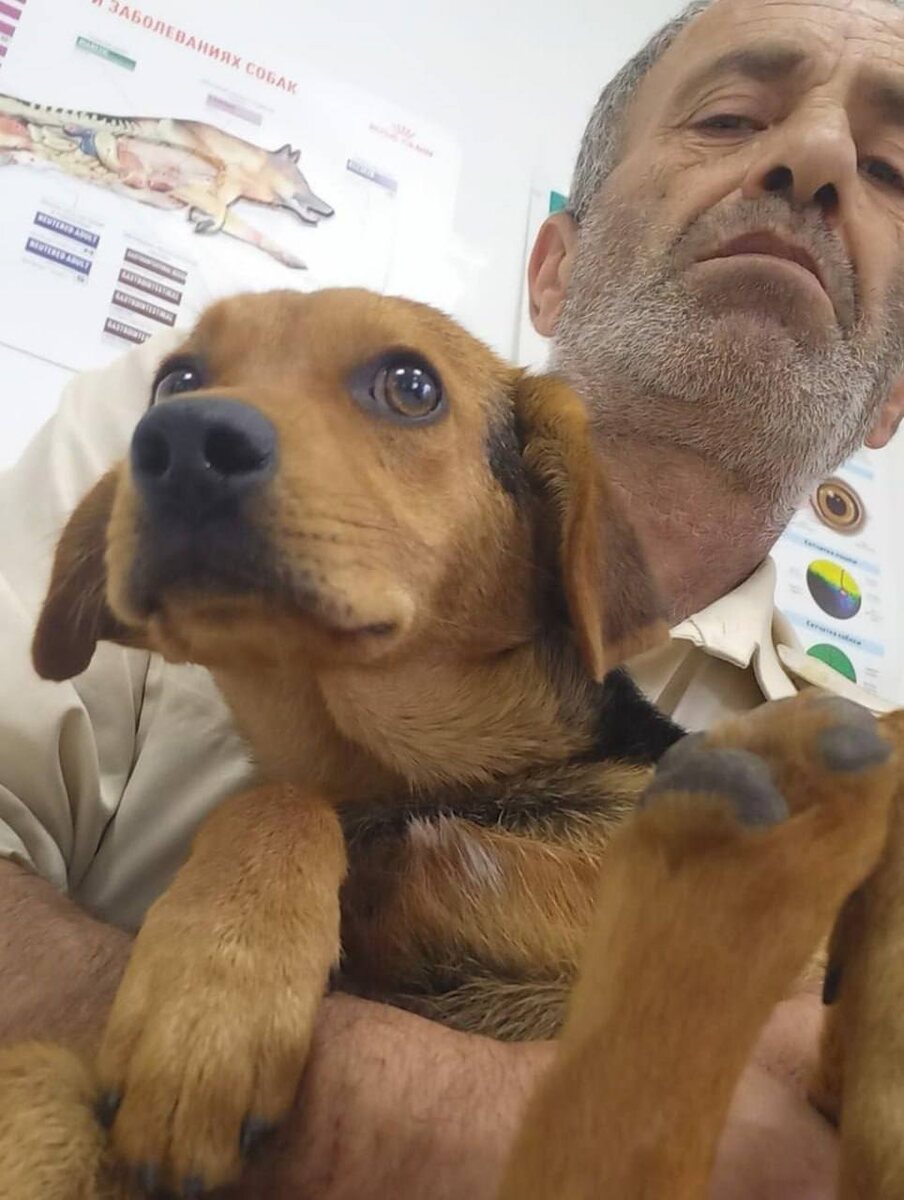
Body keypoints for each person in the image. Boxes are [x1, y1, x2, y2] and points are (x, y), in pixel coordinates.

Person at [2, 0, 903, 1193]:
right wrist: (413, 1118)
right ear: (554, 265)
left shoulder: (852, 771)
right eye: (730, 117)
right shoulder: (159, 441)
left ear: (893, 398)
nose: (818, 156)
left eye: (892, 170)